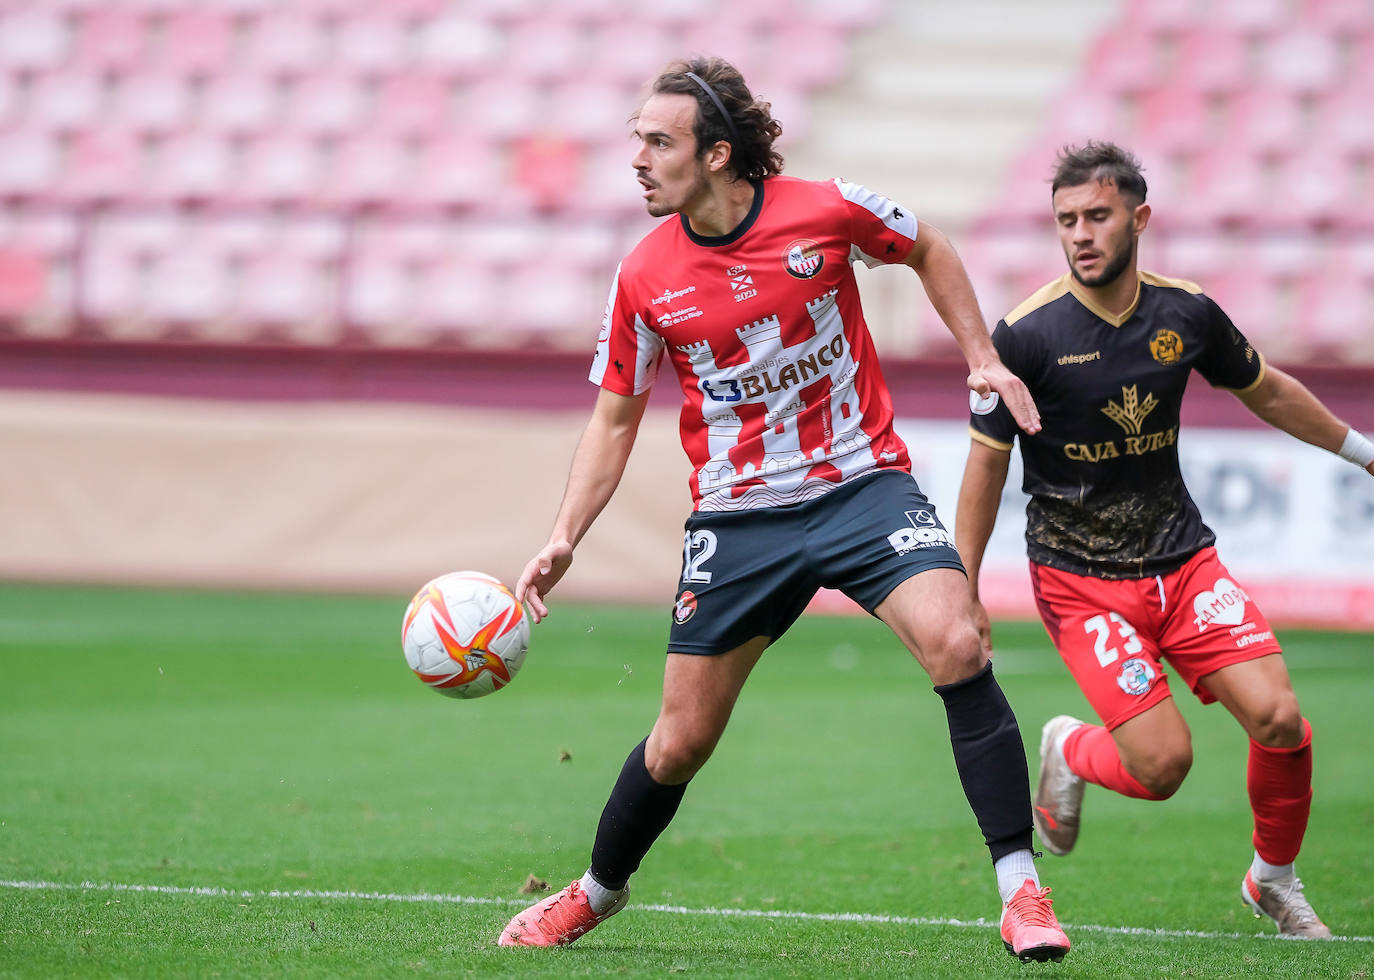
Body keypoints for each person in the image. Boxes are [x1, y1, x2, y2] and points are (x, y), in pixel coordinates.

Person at [496, 56, 1071, 962]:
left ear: (718, 153)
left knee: (958, 640)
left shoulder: (825, 208)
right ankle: (595, 892)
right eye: (636, 141)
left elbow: (929, 245)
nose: (637, 160)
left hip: (860, 486)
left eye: (659, 142)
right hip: (739, 520)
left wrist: (982, 357)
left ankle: (1021, 890)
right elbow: (615, 418)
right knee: (680, 741)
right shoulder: (644, 276)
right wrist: (565, 534)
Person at [956, 141, 1374, 940]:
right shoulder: (1027, 337)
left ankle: (1272, 881)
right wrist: (964, 587)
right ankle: (1073, 749)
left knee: (1282, 721)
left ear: (1139, 218)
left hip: (1185, 563)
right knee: (1163, 768)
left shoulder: (1186, 313)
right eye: (1066, 220)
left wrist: (1364, 451)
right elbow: (984, 467)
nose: (1080, 234)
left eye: (1098, 216)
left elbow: (1271, 391)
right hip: (1080, 582)